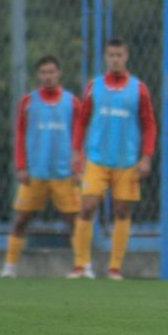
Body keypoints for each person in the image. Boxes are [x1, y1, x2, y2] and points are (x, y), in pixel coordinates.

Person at [68, 37, 157, 280]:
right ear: (105, 58)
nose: (115, 59)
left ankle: (114, 267)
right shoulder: (94, 86)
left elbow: (149, 125)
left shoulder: (138, 88)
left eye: (119, 55)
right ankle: (81, 265)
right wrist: (76, 151)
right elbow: (82, 120)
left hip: (126, 161)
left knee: (122, 210)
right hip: (96, 159)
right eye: (111, 55)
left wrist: (146, 157)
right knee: (87, 206)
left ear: (126, 56)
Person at [0, 55, 82, 278]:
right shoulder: (28, 102)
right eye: (44, 72)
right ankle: (9, 267)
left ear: (59, 73)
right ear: (38, 75)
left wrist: (78, 167)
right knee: (21, 219)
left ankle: (83, 266)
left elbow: (79, 136)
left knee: (74, 221)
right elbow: (19, 134)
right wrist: (20, 166)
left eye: (52, 72)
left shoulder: (72, 102)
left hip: (64, 172)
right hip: (34, 172)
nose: (48, 76)